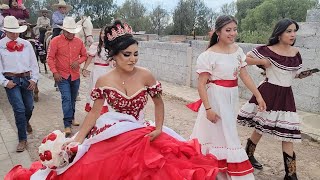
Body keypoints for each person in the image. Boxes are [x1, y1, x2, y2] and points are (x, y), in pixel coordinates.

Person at [5, 20, 221, 180]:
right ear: (114, 56)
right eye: (127, 55)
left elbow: (158, 102)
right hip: (114, 130)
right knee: (93, 166)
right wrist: (79, 139)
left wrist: (159, 127)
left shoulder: (146, 75)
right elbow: (94, 113)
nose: (133, 59)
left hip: (140, 129)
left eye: (136, 54)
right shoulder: (105, 80)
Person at [188, 15, 266, 180]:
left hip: (231, 98)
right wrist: (208, 109)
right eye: (228, 30)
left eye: (235, 29)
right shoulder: (208, 55)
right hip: (215, 99)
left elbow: (244, 75)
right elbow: (201, 84)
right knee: (216, 134)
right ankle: (214, 171)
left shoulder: (237, 51)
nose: (232, 33)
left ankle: (222, 171)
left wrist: (258, 95)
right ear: (218, 32)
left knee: (227, 133)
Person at [237, 18, 310, 180]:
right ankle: (247, 156)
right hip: (268, 92)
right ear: (279, 34)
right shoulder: (267, 49)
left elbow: (294, 75)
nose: (293, 34)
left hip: (286, 95)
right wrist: (262, 61)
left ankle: (290, 174)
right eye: (289, 31)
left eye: (294, 31)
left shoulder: (296, 52)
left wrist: (306, 74)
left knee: (288, 133)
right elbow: (244, 59)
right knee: (260, 127)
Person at [0, 16, 39, 152]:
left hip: (27, 78)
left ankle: (24, 121)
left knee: (29, 107)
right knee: (19, 109)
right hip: (11, 81)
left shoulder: (26, 44)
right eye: (11, 32)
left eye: (16, 31)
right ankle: (22, 139)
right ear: (5, 31)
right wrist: (5, 82)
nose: (15, 34)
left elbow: (34, 63)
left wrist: (34, 79)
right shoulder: (1, 45)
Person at [47, 17, 87, 137]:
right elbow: (50, 58)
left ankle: (72, 117)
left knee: (73, 98)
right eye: (69, 32)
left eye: (73, 32)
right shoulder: (55, 41)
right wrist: (55, 72)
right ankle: (67, 124)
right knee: (67, 99)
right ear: (63, 31)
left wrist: (78, 62)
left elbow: (84, 55)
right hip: (62, 76)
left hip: (75, 76)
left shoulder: (79, 42)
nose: (71, 34)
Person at [82, 27, 112, 114]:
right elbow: (90, 58)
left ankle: (105, 112)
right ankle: (95, 111)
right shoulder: (95, 45)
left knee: (107, 91)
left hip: (107, 71)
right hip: (97, 71)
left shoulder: (111, 47)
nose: (103, 35)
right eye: (101, 33)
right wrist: (84, 68)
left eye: (105, 34)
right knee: (96, 90)